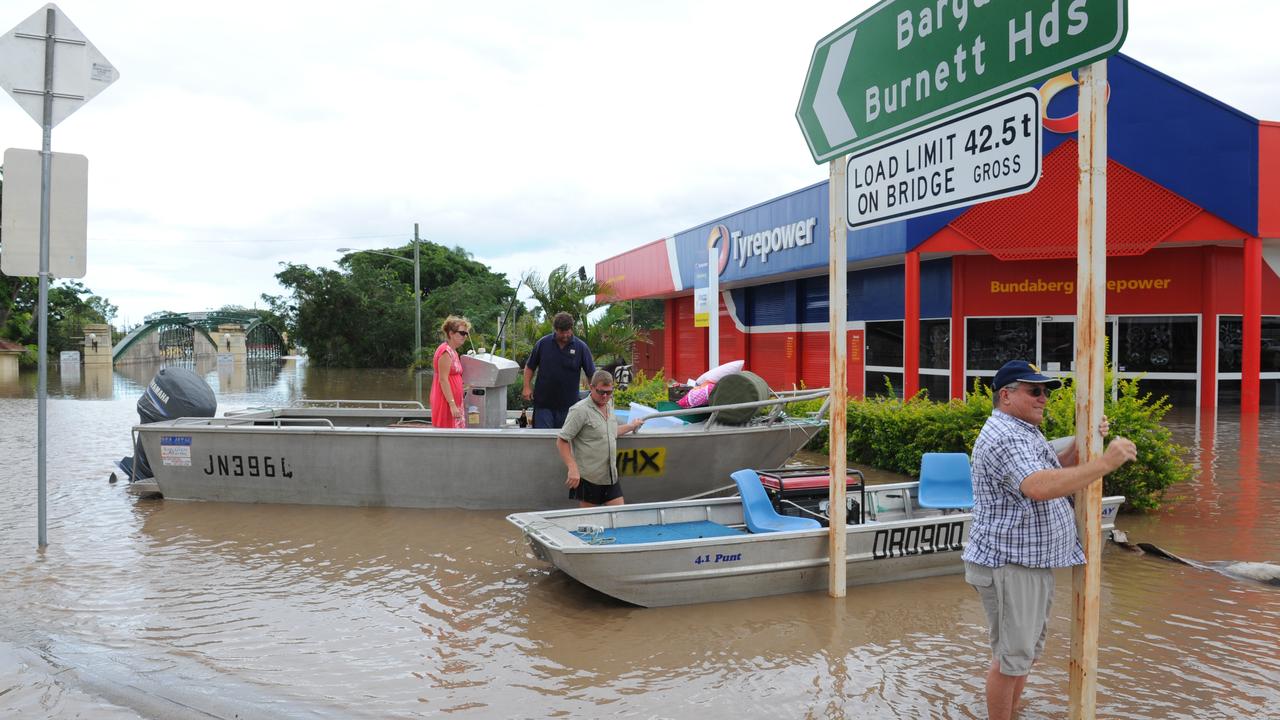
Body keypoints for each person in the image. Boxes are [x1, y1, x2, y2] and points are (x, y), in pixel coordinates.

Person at [963, 360, 1138, 720]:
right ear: (1006, 395)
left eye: (1046, 391)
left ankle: (1012, 713)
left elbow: (1051, 468)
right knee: (1011, 659)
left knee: (1022, 654)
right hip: (1009, 565)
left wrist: (1085, 440)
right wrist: (1104, 463)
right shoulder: (1005, 435)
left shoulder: (1022, 430)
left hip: (1028, 563)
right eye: (1035, 390)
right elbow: (1038, 486)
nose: (1044, 398)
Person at [556, 370, 644, 507]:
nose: (605, 396)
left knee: (619, 516)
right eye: (601, 392)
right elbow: (562, 440)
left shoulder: (609, 405)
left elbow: (609, 432)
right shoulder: (579, 410)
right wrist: (572, 467)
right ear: (591, 387)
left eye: (609, 392)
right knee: (589, 524)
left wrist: (632, 426)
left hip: (610, 476)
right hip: (589, 478)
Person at [522, 311, 595, 429]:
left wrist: (595, 392)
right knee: (542, 441)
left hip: (570, 406)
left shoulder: (581, 347)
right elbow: (530, 367)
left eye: (568, 331)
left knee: (565, 442)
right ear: (555, 329)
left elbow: (591, 374)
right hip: (543, 405)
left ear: (572, 329)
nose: (566, 335)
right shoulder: (543, 344)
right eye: (562, 332)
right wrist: (526, 387)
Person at [430, 316, 470, 429]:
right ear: (451, 333)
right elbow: (443, 379)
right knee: (447, 431)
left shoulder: (454, 352)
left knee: (457, 432)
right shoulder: (445, 351)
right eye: (462, 333)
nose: (465, 336)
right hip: (446, 401)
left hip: (455, 400)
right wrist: (452, 404)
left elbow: (455, 376)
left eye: (466, 334)